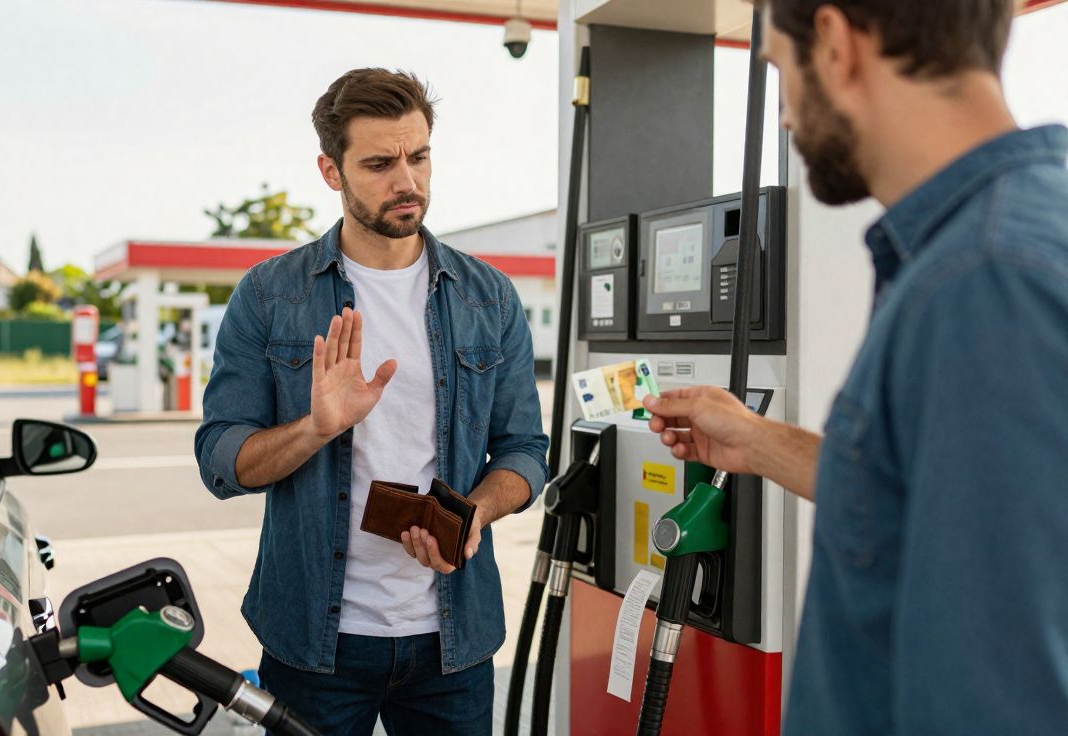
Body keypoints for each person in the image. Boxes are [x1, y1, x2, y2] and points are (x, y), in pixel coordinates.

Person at [642, 1, 1068, 733]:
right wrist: (752, 439)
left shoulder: (984, 282)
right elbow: (918, 492)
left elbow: (1001, 695)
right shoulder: (990, 243)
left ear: (835, 45)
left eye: (779, 68)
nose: (783, 115)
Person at [194, 68, 548, 735]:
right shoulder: (272, 295)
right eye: (381, 163)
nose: (407, 181)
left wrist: (476, 513)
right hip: (314, 647)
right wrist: (316, 428)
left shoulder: (488, 298)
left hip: (453, 643)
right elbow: (219, 458)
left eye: (418, 156)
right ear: (332, 171)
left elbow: (526, 451)